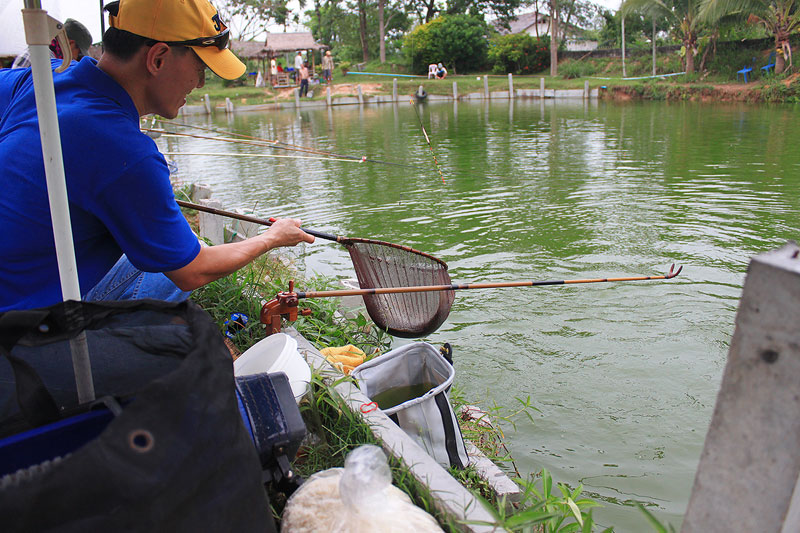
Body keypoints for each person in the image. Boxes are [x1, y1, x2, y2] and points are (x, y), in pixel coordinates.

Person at [0, 0, 314, 312]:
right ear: (159, 58)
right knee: (173, 277)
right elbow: (194, 270)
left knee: (160, 253)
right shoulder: (126, 152)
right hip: (21, 326)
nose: (201, 83)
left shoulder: (42, 78)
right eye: (201, 67)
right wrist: (273, 237)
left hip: (16, 279)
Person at [12, 18, 93, 69]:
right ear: (70, 43)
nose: (76, 59)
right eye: (79, 54)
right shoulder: (41, 55)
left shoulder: (51, 56)